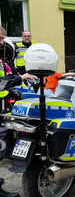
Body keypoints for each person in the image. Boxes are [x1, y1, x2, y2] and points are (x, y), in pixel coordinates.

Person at [0, 26, 37, 197]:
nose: (3, 42)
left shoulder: (3, 58)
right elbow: (2, 80)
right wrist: (20, 78)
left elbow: (9, 72)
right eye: (0, 39)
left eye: (3, 38)